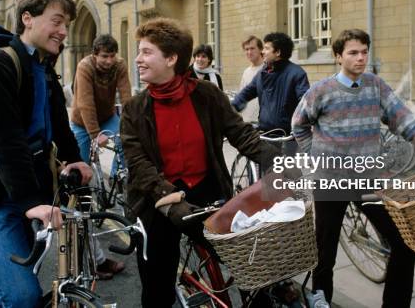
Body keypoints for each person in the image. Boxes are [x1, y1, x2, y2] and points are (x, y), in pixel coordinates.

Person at [291, 29, 415, 308]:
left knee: (404, 242)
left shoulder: (376, 86)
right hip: (331, 181)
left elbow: (406, 121)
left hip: (369, 176)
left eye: (364, 52)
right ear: (338, 57)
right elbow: (298, 124)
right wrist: (316, 157)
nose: (360, 58)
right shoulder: (321, 90)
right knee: (325, 248)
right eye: (353, 53)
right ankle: (321, 299)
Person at [120, 17, 280, 307]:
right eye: (139, 51)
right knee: (157, 286)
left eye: (146, 52)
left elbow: (241, 134)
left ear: (171, 58)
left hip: (206, 190)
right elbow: (138, 162)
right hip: (159, 199)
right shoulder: (133, 109)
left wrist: (279, 163)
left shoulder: (207, 95)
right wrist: (167, 197)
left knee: (246, 260)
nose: (138, 59)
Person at [0, 0, 93, 308]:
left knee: (9, 289)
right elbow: (5, 140)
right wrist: (30, 201)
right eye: (57, 21)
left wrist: (75, 159)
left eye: (67, 25)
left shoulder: (42, 68)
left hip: (25, 192)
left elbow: (58, 123)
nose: (63, 31)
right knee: (22, 296)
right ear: (28, 19)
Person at [69, 34, 130, 278]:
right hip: (83, 123)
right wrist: (95, 134)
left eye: (112, 56)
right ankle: (84, 202)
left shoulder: (119, 65)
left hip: (108, 117)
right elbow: (85, 103)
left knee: (127, 139)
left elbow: (126, 96)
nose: (108, 60)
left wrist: (132, 123)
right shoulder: (85, 67)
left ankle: (120, 177)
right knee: (82, 171)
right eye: (104, 56)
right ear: (95, 55)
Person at [232, 32, 309, 135]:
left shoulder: (297, 74)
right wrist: (230, 109)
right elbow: (246, 93)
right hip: (264, 133)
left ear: (277, 52)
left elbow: (306, 103)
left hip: (288, 137)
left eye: (267, 48)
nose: (263, 52)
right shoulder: (262, 73)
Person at [238, 35, 263, 123]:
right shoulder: (246, 72)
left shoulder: (268, 70)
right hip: (247, 122)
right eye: (246, 49)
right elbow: (241, 97)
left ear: (260, 49)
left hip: (263, 123)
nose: (249, 52)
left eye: (252, 48)